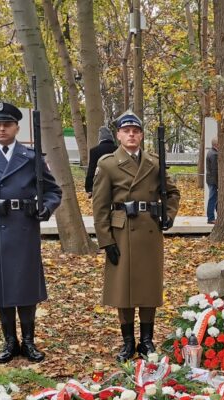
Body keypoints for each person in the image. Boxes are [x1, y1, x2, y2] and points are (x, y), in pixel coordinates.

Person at [0, 101, 61, 364]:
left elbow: (54, 191)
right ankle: (10, 340)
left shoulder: (32, 158)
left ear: (17, 127)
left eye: (7, 124)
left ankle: (29, 341)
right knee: (1, 286)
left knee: (26, 284)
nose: (2, 129)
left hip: (24, 226)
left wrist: (47, 207)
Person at [92, 110, 181, 361]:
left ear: (141, 135)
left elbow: (172, 193)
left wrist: (169, 215)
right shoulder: (108, 164)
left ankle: (147, 341)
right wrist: (106, 240)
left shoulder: (154, 161)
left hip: (149, 230)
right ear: (119, 135)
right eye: (126, 131)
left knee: (148, 288)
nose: (131, 135)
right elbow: (99, 207)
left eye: (136, 131)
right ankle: (128, 342)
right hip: (122, 231)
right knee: (124, 289)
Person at [86, 126, 117, 198]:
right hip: (116, 184)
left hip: (100, 184)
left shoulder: (94, 150)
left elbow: (91, 169)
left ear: (100, 138)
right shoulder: (118, 149)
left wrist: (89, 188)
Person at [204, 137, 218, 223]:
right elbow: (215, 170)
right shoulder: (214, 154)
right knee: (212, 199)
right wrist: (218, 183)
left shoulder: (210, 152)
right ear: (216, 145)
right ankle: (211, 218)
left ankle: (215, 216)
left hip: (211, 179)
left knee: (215, 198)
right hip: (213, 180)